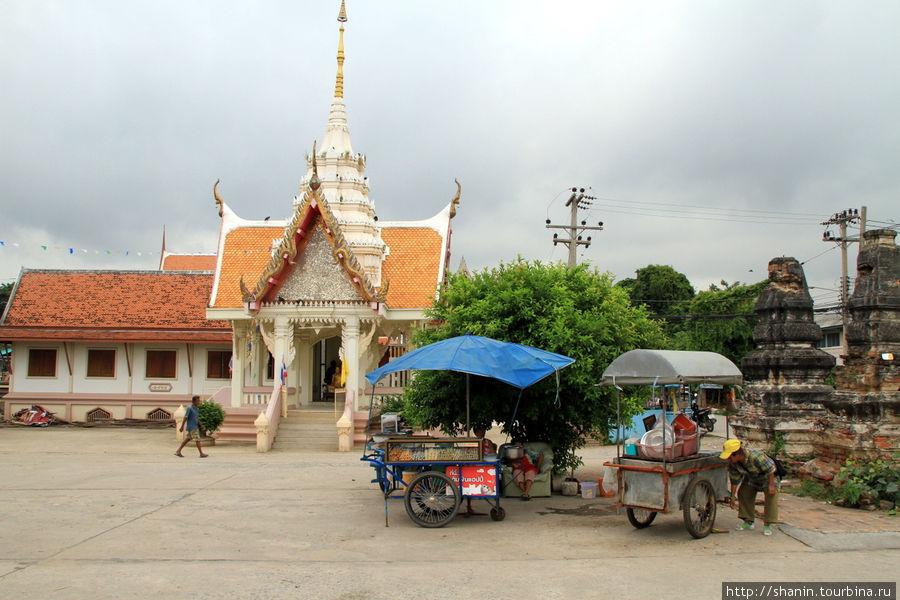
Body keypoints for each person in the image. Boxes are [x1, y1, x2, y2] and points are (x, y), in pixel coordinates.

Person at [720, 438, 778, 535]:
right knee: (743, 493)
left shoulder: (755, 456)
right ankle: (748, 521)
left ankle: (767, 524)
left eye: (730, 457)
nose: (729, 459)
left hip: (768, 477)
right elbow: (734, 480)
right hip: (752, 478)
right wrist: (733, 497)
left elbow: (771, 469)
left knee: (771, 496)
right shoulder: (734, 464)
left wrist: (771, 486)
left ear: (737, 454)